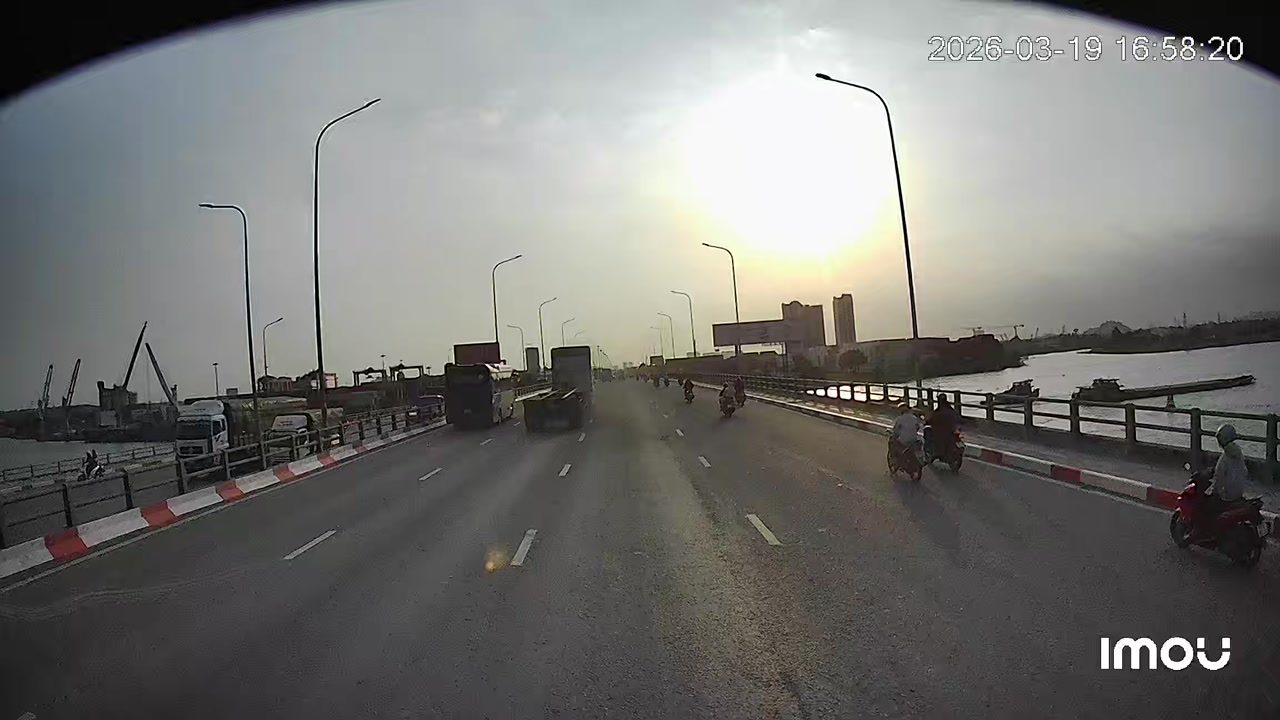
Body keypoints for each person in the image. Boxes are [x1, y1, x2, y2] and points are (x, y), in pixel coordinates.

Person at [1202, 423, 1248, 524]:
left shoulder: (1225, 457)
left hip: (1227, 495)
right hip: (1239, 492)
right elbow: (1244, 472)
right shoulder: (1239, 453)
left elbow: (1219, 478)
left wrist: (1213, 491)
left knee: (1207, 506)